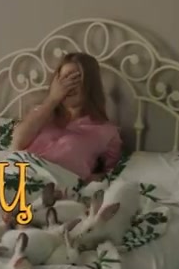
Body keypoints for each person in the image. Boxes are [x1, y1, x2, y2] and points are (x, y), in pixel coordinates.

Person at [11, 52, 121, 181]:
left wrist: (84, 180)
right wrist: (52, 99)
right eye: (64, 78)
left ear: (90, 84)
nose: (68, 85)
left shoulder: (106, 132)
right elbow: (17, 143)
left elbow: (110, 176)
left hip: (49, 185)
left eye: (75, 78)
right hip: (14, 173)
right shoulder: (42, 114)